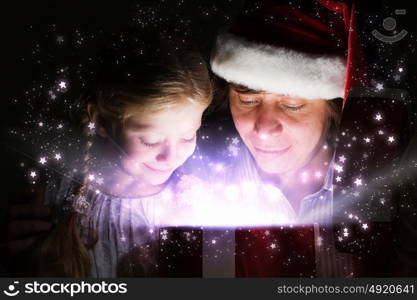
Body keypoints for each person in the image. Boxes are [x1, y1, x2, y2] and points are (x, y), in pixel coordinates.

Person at [7, 30, 213, 277]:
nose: (171, 156)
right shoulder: (55, 197)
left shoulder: (195, 202)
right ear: (101, 121)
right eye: (151, 140)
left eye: (188, 136)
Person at [207, 0, 361, 277]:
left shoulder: (382, 192)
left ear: (332, 107)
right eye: (248, 99)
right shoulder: (197, 187)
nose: (264, 128)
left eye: (291, 105)